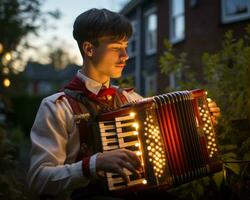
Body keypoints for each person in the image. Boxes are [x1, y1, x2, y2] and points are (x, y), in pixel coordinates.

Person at [27, 8, 221, 200]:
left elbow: (165, 145)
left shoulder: (133, 100)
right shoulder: (56, 107)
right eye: (115, 48)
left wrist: (199, 120)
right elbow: (37, 180)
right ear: (89, 49)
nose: (125, 55)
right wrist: (93, 164)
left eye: (126, 46)